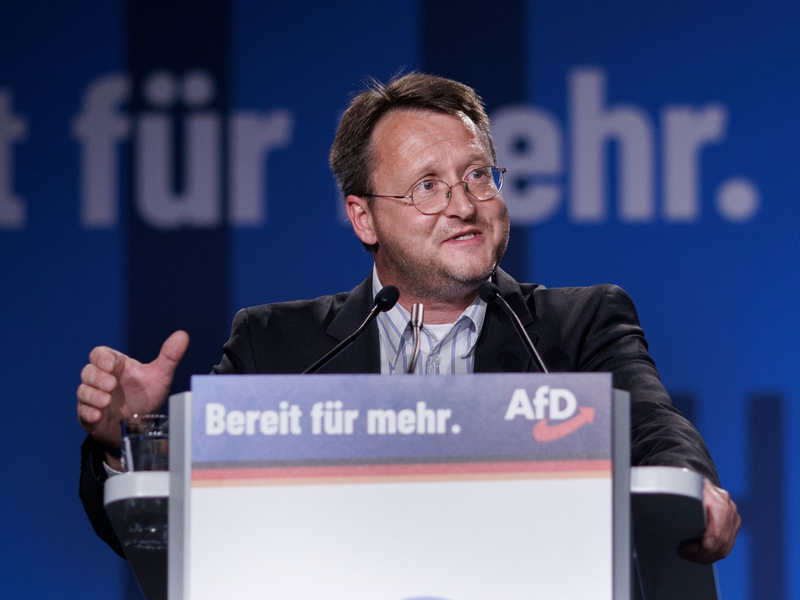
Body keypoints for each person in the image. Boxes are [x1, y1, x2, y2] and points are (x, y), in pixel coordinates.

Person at [77, 72, 740, 564]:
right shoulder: (276, 346)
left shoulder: (577, 328)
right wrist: (125, 443)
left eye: (479, 175)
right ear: (363, 215)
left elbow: (657, 429)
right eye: (428, 186)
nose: (465, 205)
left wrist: (694, 488)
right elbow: (174, 523)